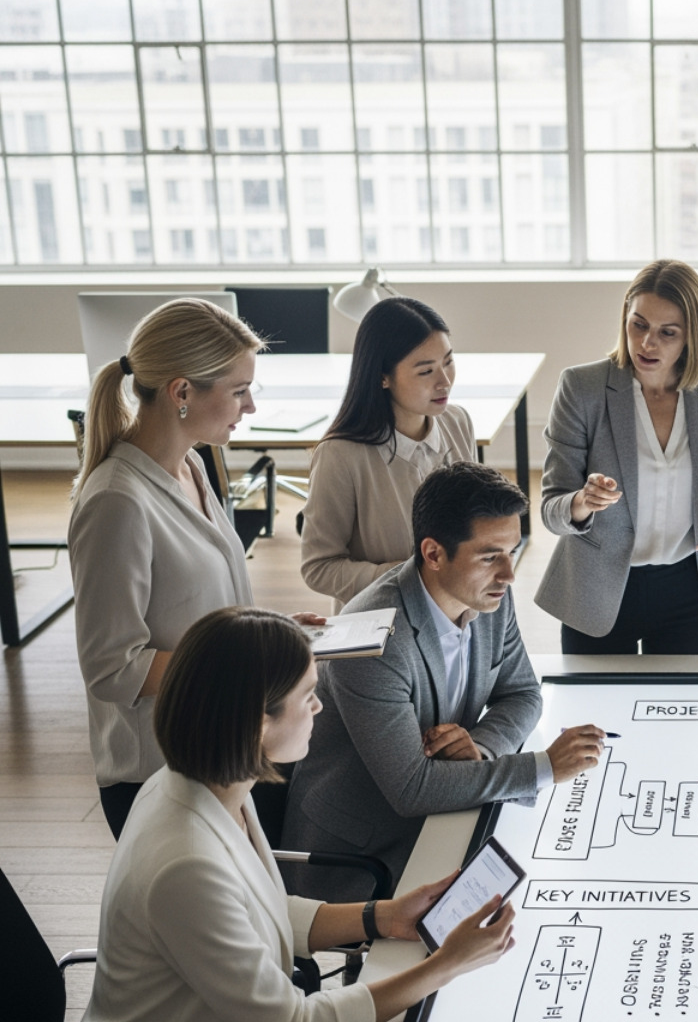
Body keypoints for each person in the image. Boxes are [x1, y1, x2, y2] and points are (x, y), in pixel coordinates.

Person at [85, 606, 515, 1022]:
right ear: (258, 723)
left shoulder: (203, 784)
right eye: (308, 696)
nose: (318, 708)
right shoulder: (187, 864)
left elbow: (260, 911)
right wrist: (447, 965)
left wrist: (385, 915)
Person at [284, 462, 606, 900]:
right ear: (433, 554)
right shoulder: (375, 638)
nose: (509, 575)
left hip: (445, 817)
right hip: (364, 855)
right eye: (490, 556)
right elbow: (412, 789)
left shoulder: (490, 594)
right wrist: (544, 768)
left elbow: (523, 692)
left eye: (512, 552)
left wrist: (482, 748)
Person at [68, 297, 322, 839]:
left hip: (221, 750)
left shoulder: (192, 466)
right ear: (182, 392)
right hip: (159, 774)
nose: (250, 406)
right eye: (238, 390)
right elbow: (113, 669)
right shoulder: (117, 501)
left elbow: (201, 605)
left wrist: (270, 632)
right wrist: (242, 658)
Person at [536, 259, 698, 654]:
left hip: (686, 590)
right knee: (596, 715)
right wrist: (582, 502)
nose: (648, 343)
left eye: (667, 332)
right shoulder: (583, 387)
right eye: (639, 324)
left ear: (691, 336)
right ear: (625, 316)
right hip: (599, 588)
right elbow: (550, 508)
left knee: (681, 713)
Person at [301, 296, 476, 608]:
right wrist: (412, 577)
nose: (444, 381)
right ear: (382, 376)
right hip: (381, 624)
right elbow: (319, 568)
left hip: (457, 613)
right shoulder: (340, 455)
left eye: (448, 361)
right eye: (425, 371)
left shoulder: (457, 422)